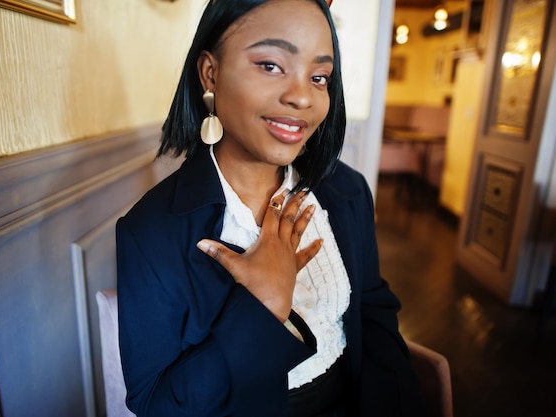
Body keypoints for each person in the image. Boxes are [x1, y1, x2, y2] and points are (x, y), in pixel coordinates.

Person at [116, 0, 428, 416]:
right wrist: (260, 307)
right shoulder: (151, 232)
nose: (302, 97)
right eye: (270, 65)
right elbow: (156, 403)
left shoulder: (347, 192)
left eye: (319, 77)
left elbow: (374, 313)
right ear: (211, 73)